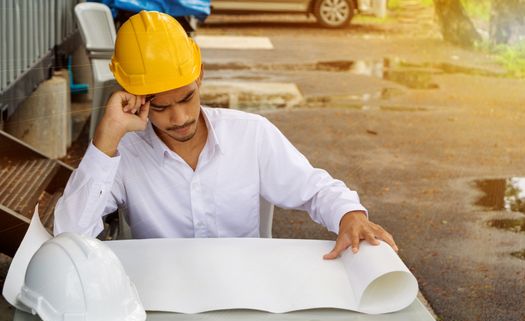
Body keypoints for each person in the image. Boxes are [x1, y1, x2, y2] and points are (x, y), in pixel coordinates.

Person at [54, 10, 398, 259]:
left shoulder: (251, 135)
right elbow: (69, 237)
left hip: (247, 293)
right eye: (159, 107)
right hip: (163, 302)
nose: (180, 118)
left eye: (187, 97)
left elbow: (314, 189)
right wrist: (106, 139)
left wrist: (348, 214)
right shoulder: (124, 153)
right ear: (131, 94)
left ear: (199, 76)